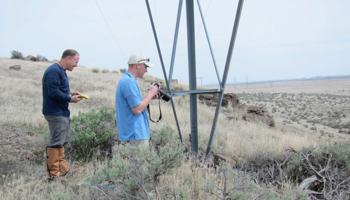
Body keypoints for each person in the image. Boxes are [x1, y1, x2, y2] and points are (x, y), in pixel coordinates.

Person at [42, 49, 81, 180]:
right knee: (56, 142)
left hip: (61, 112)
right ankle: (53, 175)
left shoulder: (61, 71)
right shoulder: (54, 71)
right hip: (55, 113)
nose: (76, 65)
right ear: (68, 58)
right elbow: (53, 93)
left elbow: (58, 91)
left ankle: (61, 170)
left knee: (61, 141)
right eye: (76, 61)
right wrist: (70, 99)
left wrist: (70, 95)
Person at [115, 55, 159, 148]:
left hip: (132, 135)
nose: (146, 70)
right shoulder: (128, 82)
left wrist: (149, 97)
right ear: (137, 65)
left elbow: (136, 105)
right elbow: (137, 109)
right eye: (145, 66)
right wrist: (151, 93)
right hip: (135, 136)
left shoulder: (127, 80)